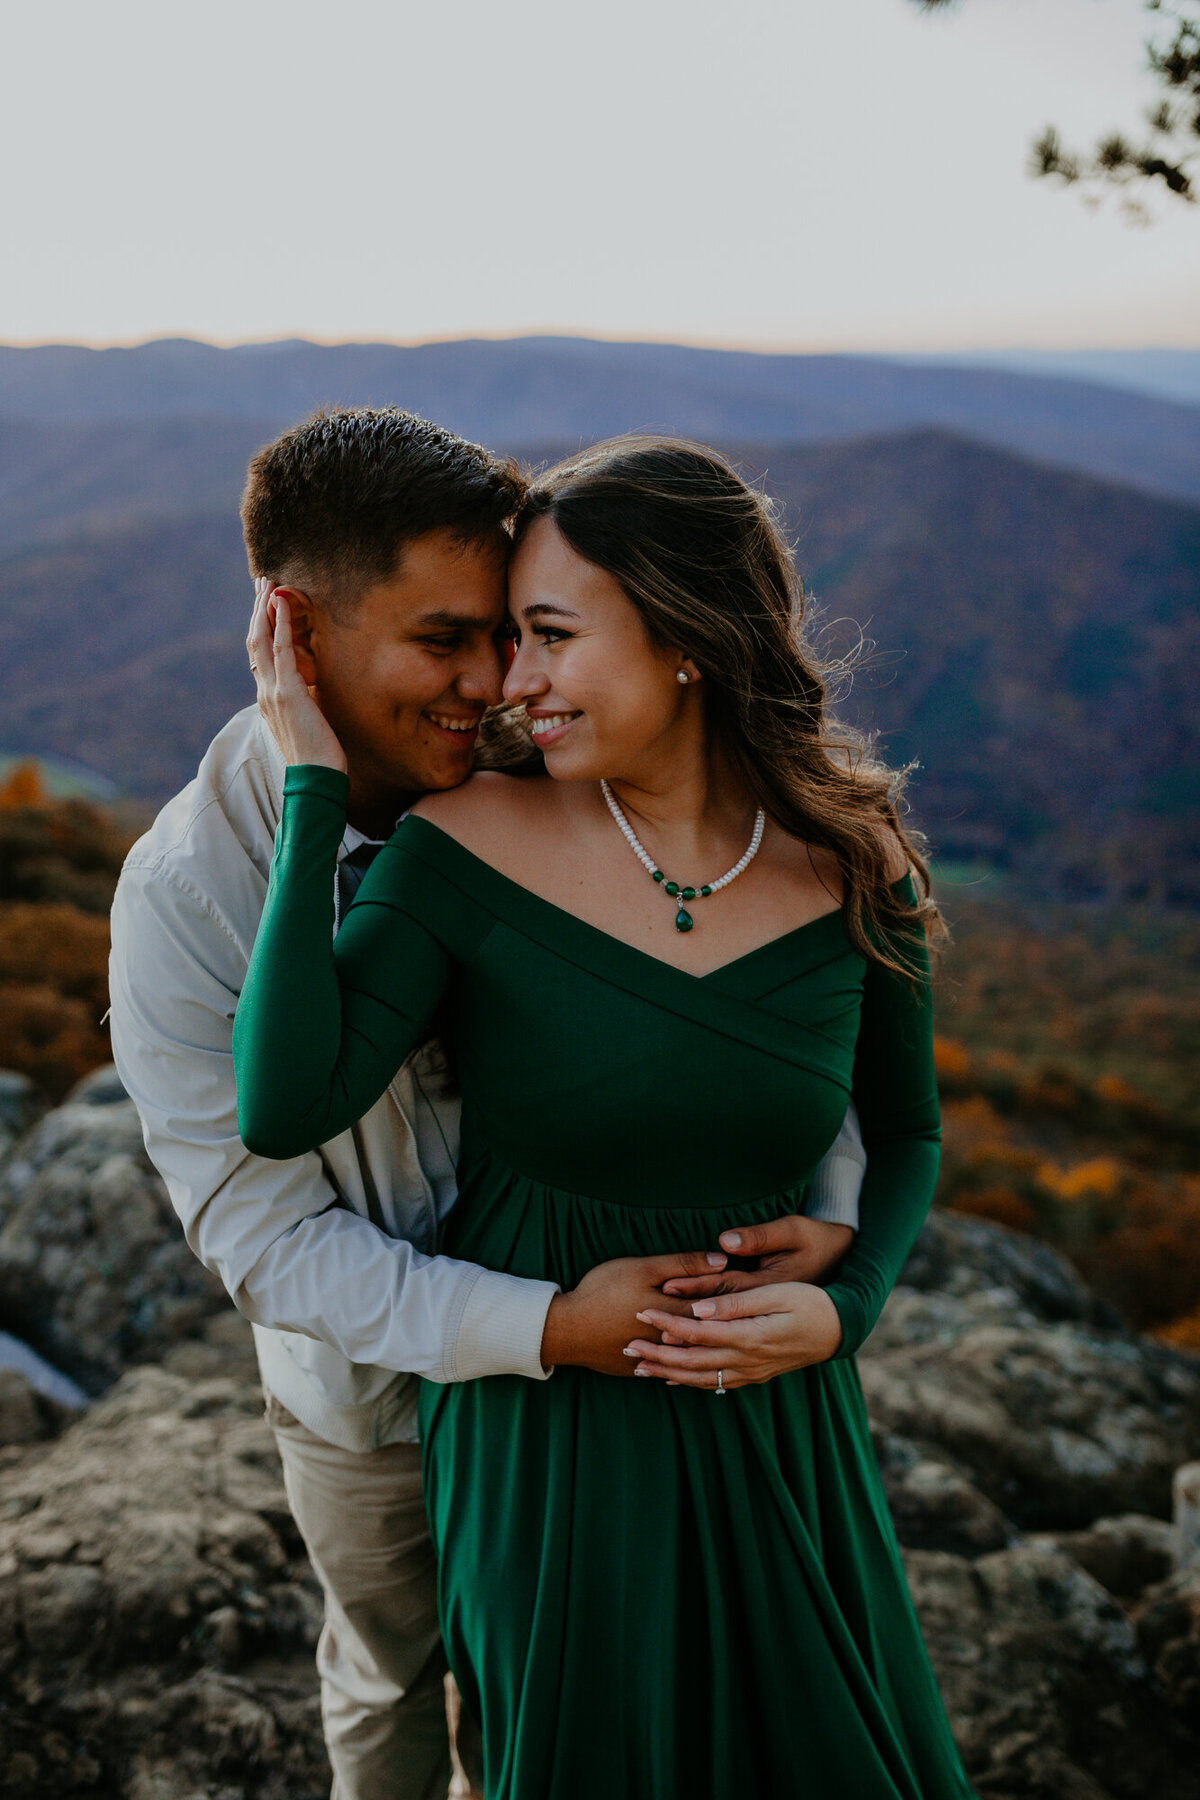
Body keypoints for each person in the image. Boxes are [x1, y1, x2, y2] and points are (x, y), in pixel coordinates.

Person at [107, 410, 868, 1800]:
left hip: (610, 1378)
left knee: (566, 1697)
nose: (494, 682)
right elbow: (258, 1231)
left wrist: (833, 1207)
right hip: (377, 1391)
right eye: (446, 640)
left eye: (513, 633)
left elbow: (771, 995)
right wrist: (545, 1326)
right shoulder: (188, 893)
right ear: (298, 630)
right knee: (394, 1682)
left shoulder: (549, 757)